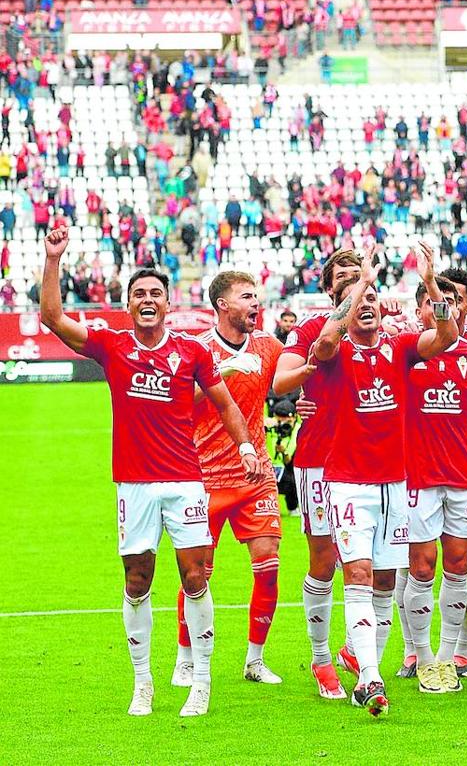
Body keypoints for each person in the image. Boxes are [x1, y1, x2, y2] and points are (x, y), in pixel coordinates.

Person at [39, 225, 265, 718]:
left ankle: (200, 683)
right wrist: (53, 259)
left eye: (155, 294)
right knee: (137, 579)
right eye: (139, 293)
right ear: (128, 305)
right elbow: (52, 317)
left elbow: (225, 404)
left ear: (168, 304)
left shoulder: (193, 351)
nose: (147, 299)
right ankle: (143, 683)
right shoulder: (112, 346)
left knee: (195, 576)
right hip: (134, 485)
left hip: (185, 480)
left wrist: (246, 446)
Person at [309, 242, 457, 716]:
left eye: (373, 298)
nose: (367, 304)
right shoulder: (334, 348)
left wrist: (432, 285)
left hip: (396, 483)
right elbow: (324, 345)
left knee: (384, 577)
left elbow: (446, 337)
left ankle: (360, 659)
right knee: (355, 572)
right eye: (358, 300)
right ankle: (371, 679)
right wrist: (360, 286)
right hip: (348, 482)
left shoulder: (398, 346)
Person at [173, 272, 284, 691]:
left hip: (255, 474)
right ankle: (186, 659)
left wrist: (307, 398)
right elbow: (178, 404)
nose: (256, 303)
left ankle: (255, 660)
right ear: (222, 305)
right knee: (196, 574)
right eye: (246, 297)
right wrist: (217, 375)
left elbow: (297, 372)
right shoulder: (197, 350)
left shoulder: (268, 346)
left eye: (257, 296)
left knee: (269, 566)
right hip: (204, 477)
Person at [272, 248, 364, 700]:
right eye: (344, 276)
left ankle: (356, 649)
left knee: (373, 567)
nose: (353, 280)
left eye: (359, 274)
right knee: (325, 560)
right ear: (330, 288)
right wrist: (309, 373)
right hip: (321, 461)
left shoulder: (385, 326)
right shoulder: (311, 327)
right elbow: (280, 380)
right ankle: (321, 658)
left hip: (373, 463)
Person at [401, 275, 467, 694]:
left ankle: (446, 658)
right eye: (437, 302)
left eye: (453, 301)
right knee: (421, 568)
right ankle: (420, 657)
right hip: (417, 477)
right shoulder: (405, 354)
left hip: (462, 476)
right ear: (420, 310)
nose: (444, 307)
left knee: (457, 567)